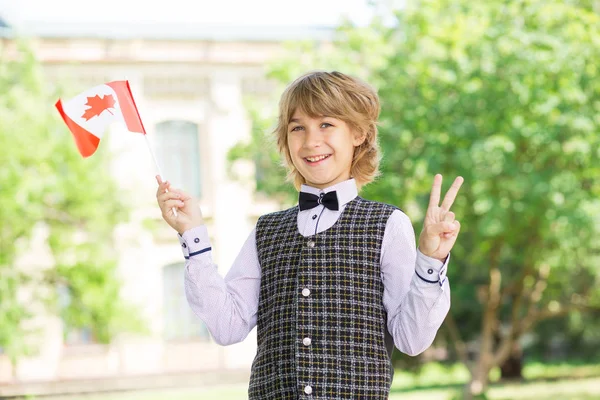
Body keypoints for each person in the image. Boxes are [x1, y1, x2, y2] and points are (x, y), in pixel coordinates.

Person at [156, 71, 463, 399]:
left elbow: (411, 339)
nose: (311, 141)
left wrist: (430, 259)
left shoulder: (388, 224)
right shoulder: (267, 231)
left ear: (358, 133)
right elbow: (227, 326)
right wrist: (194, 236)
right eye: (298, 128)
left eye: (326, 124)